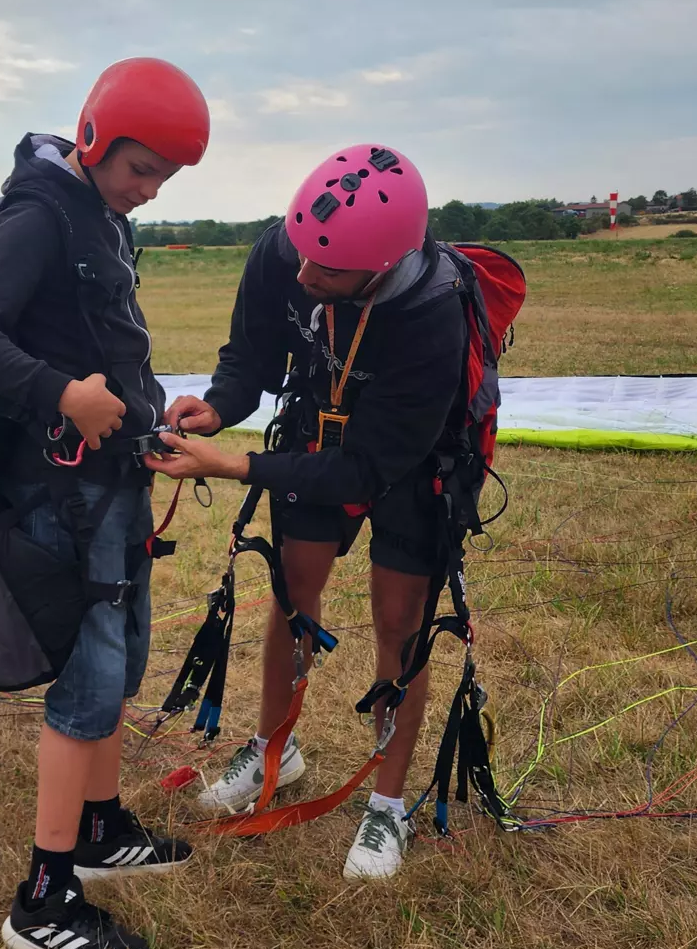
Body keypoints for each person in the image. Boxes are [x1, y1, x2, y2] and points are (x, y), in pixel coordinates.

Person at [0, 57, 210, 949]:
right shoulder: (39, 213)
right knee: (90, 679)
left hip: (113, 481)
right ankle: (46, 892)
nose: (149, 190)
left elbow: (103, 338)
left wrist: (143, 417)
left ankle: (97, 829)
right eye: (141, 169)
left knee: (123, 657)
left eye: (164, 179)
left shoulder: (97, 213)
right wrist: (63, 395)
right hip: (66, 489)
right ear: (94, 139)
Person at [151, 142, 469, 880]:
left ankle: (387, 806)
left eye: (324, 272)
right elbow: (252, 358)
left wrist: (231, 464)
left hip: (413, 457)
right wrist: (217, 407)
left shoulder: (432, 314)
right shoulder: (288, 249)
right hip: (312, 423)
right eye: (299, 254)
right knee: (294, 593)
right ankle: (274, 747)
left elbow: (365, 468)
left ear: (382, 269)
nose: (302, 276)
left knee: (401, 621)